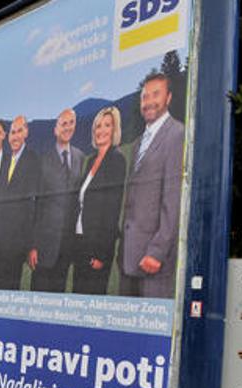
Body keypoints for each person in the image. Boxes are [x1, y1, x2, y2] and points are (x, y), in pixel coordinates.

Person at [120, 73, 185, 298]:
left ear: (168, 98)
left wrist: (157, 252)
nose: (148, 102)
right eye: (144, 96)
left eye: (155, 94)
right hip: (129, 258)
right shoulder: (138, 143)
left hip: (153, 262)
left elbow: (174, 200)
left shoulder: (176, 134)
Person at [28, 109, 85, 292]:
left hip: (67, 247)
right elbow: (35, 205)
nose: (67, 127)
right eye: (63, 124)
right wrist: (33, 245)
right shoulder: (43, 160)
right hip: (44, 246)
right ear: (55, 129)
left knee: (58, 299)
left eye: (71, 123)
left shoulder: (80, 158)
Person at [72, 107, 126, 295]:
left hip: (97, 248)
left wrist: (101, 253)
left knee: (91, 301)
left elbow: (112, 209)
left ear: (114, 130)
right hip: (80, 242)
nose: (101, 130)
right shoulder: (91, 160)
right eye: (98, 126)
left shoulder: (116, 160)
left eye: (107, 125)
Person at [0, 116, 40, 290]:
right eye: (12, 132)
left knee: (9, 293)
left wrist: (32, 245)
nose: (15, 136)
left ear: (26, 133)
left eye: (19, 131)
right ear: (8, 137)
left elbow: (33, 205)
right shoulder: (6, 162)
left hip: (16, 246)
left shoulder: (32, 160)